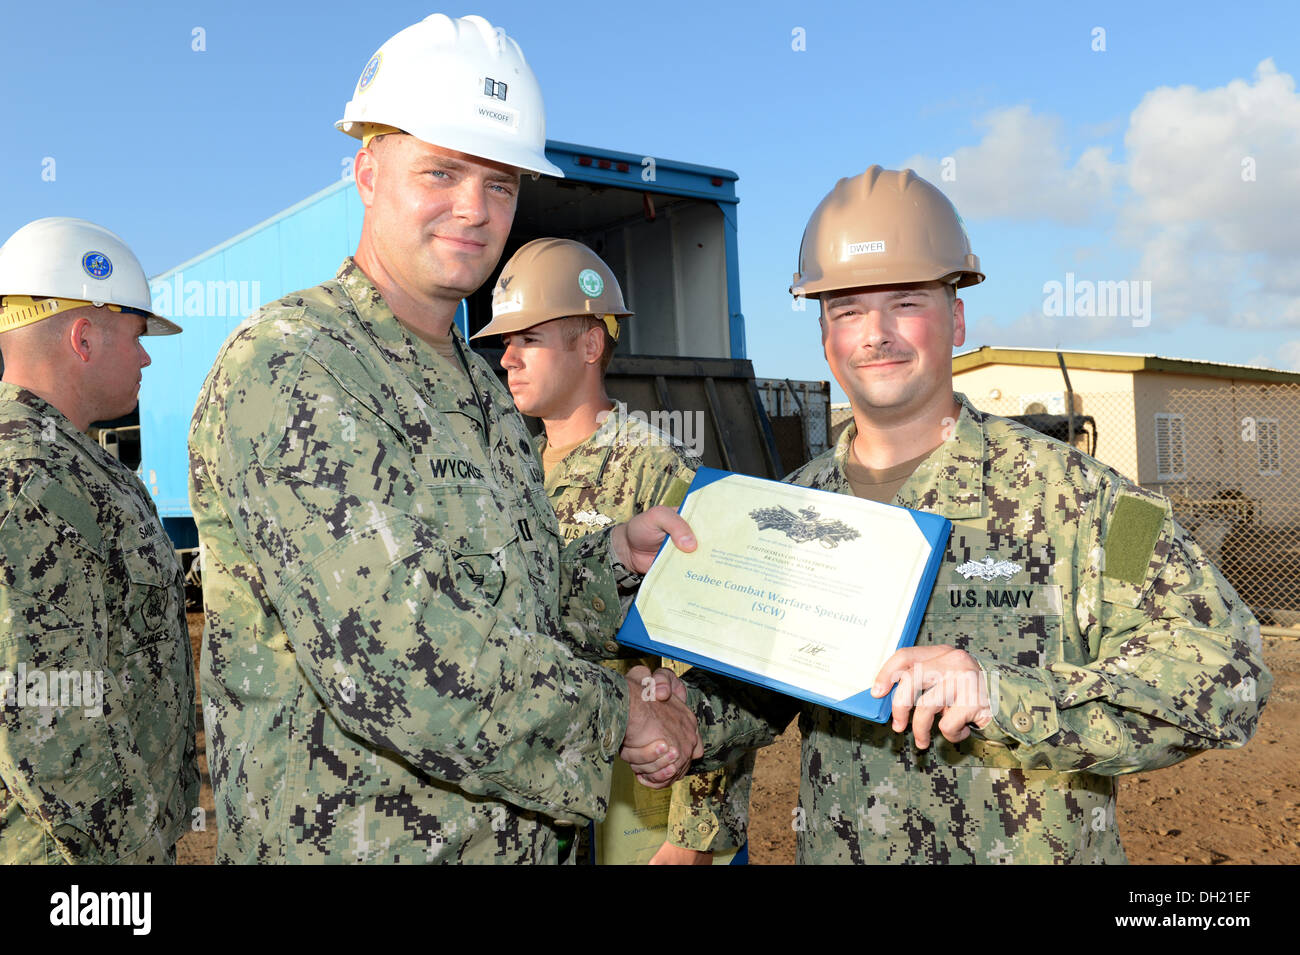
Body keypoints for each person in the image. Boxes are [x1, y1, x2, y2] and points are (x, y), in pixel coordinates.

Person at [188, 13, 699, 865]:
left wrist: (614, 553)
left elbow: (507, 602)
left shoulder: (481, 392)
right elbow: (397, 655)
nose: (474, 208)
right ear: (367, 173)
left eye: (499, 184)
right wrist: (621, 717)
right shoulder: (294, 366)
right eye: (441, 172)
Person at [675, 166, 1272, 863]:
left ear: (956, 317)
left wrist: (1000, 694)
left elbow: (1227, 671)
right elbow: (752, 691)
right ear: (824, 336)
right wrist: (672, 717)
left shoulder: (1095, 501)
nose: (876, 333)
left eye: (906, 302)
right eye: (846, 310)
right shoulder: (793, 510)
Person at [474, 238, 753, 865]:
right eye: (505, 342)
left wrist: (693, 841)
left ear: (591, 345)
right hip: (535, 802)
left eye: (529, 340)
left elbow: (706, 658)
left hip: (632, 810)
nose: (508, 359)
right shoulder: (505, 474)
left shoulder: (653, 470)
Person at [0, 217, 198, 864]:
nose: (145, 357)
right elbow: (48, 722)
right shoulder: (29, 481)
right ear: (84, 337)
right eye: (138, 337)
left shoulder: (77, 466)